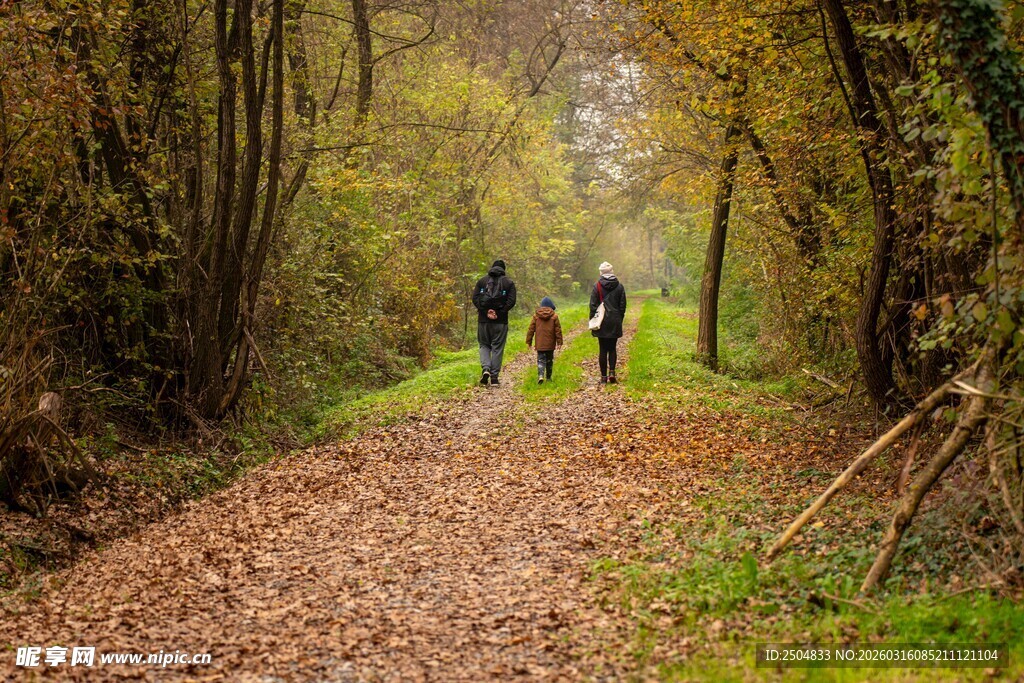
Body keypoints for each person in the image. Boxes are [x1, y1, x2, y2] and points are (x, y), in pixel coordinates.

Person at [472, 259, 517, 386]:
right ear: (504, 270)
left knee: (484, 345)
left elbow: (475, 298)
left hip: (483, 321)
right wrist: (500, 312)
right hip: (500, 322)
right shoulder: (509, 283)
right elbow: (511, 301)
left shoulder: (482, 281)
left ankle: (486, 369)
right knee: (497, 348)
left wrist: (485, 311)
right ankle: (494, 378)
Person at [590, 261, 627, 384]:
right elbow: (623, 306)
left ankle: (603, 377)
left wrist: (593, 320)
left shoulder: (597, 286)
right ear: (612, 272)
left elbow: (593, 305)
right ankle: (612, 372)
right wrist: (619, 319)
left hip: (601, 321)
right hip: (615, 320)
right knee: (612, 348)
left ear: (601, 272)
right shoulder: (620, 286)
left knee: (602, 348)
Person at [526, 296, 563, 384]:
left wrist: (529, 341)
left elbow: (531, 329)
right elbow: (558, 330)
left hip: (540, 343)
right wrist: (559, 342)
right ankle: (549, 378)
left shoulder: (536, 316)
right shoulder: (554, 316)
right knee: (549, 360)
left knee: (540, 359)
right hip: (550, 344)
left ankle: (541, 375)